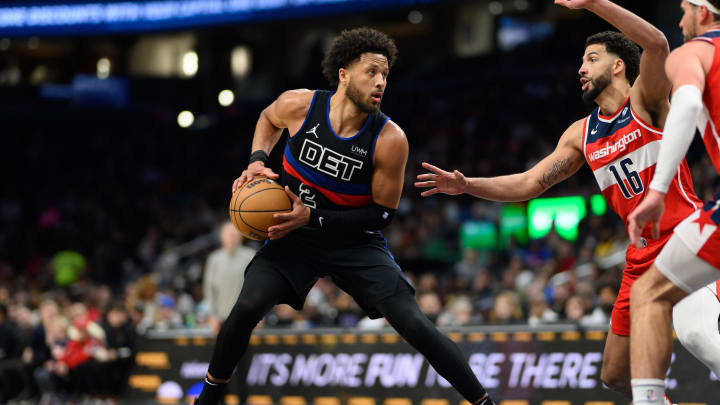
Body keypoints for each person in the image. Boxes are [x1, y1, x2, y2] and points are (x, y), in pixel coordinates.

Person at [416, 1, 701, 402]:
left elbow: (656, 43)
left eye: (591, 59)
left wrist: (591, 3)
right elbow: (531, 182)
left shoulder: (645, 100)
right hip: (639, 256)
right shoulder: (580, 134)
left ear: (618, 66)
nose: (581, 69)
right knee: (616, 374)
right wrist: (467, 185)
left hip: (684, 237)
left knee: (703, 337)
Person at [194, 27, 496, 405]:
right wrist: (257, 161)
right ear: (343, 73)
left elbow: (382, 215)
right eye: (371, 71)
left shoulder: (389, 139)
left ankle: (485, 403)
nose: (381, 82)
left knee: (415, 324)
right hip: (295, 239)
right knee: (247, 306)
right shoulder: (299, 106)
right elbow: (267, 120)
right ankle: (208, 397)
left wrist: (313, 218)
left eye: (385, 75)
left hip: (354, 241)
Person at [626, 1, 720, 402]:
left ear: (703, 12)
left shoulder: (694, 52)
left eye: (684, 10)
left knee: (648, 294)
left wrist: (658, 189)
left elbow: (683, 106)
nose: (680, 20)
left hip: (693, 221)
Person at [203, 221, 255, 335]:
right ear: (222, 237)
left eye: (235, 234)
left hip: (246, 317)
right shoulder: (214, 259)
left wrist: (259, 315)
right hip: (221, 317)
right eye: (229, 234)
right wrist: (212, 316)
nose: (231, 238)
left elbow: (257, 288)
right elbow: (209, 290)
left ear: (241, 237)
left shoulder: (250, 256)